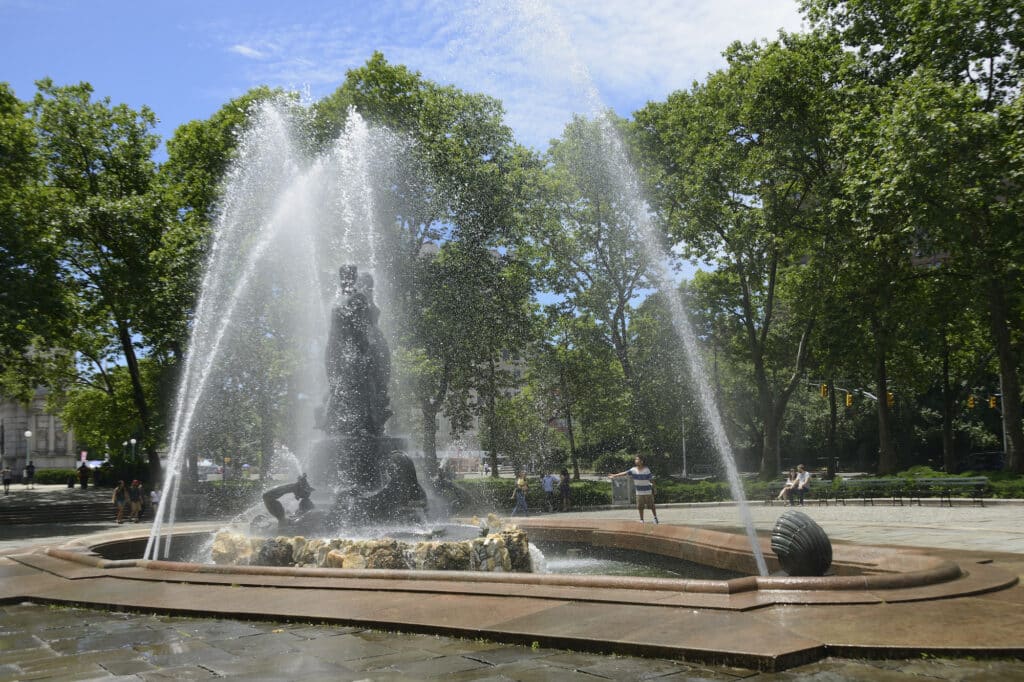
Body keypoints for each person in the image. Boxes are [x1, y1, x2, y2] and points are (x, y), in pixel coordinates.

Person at [609, 456, 659, 523]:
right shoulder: (633, 470)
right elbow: (624, 473)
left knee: (651, 506)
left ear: (641, 461)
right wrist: (614, 475)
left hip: (647, 491)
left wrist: (654, 488)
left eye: (637, 459)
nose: (635, 460)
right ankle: (641, 520)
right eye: (635, 459)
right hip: (639, 492)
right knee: (640, 506)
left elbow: (651, 480)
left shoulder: (646, 470)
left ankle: (655, 518)